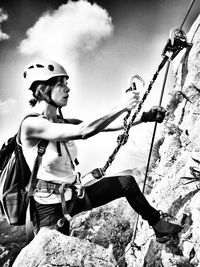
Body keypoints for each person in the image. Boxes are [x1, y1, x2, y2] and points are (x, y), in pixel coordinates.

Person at [20, 59, 182, 244]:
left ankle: (159, 226)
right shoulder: (31, 125)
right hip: (49, 209)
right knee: (56, 253)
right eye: (61, 84)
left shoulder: (62, 122)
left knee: (126, 183)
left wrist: (145, 117)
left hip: (74, 195)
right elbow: (84, 131)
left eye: (66, 83)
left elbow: (103, 126)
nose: (68, 88)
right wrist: (121, 106)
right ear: (43, 89)